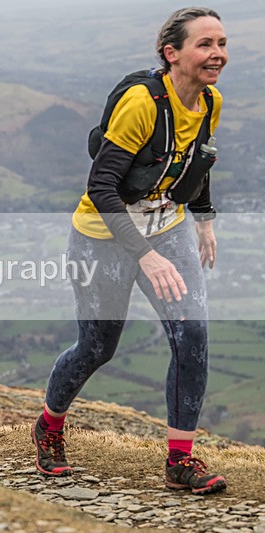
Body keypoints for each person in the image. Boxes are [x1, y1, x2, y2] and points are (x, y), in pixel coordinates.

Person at [32, 7, 228, 495]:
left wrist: (203, 221)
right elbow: (102, 186)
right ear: (172, 53)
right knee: (97, 348)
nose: (218, 54)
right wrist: (143, 252)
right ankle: (49, 428)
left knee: (193, 338)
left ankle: (180, 460)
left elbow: (195, 165)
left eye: (222, 43)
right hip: (102, 237)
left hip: (169, 231)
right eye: (205, 44)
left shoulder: (210, 102)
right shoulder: (143, 104)